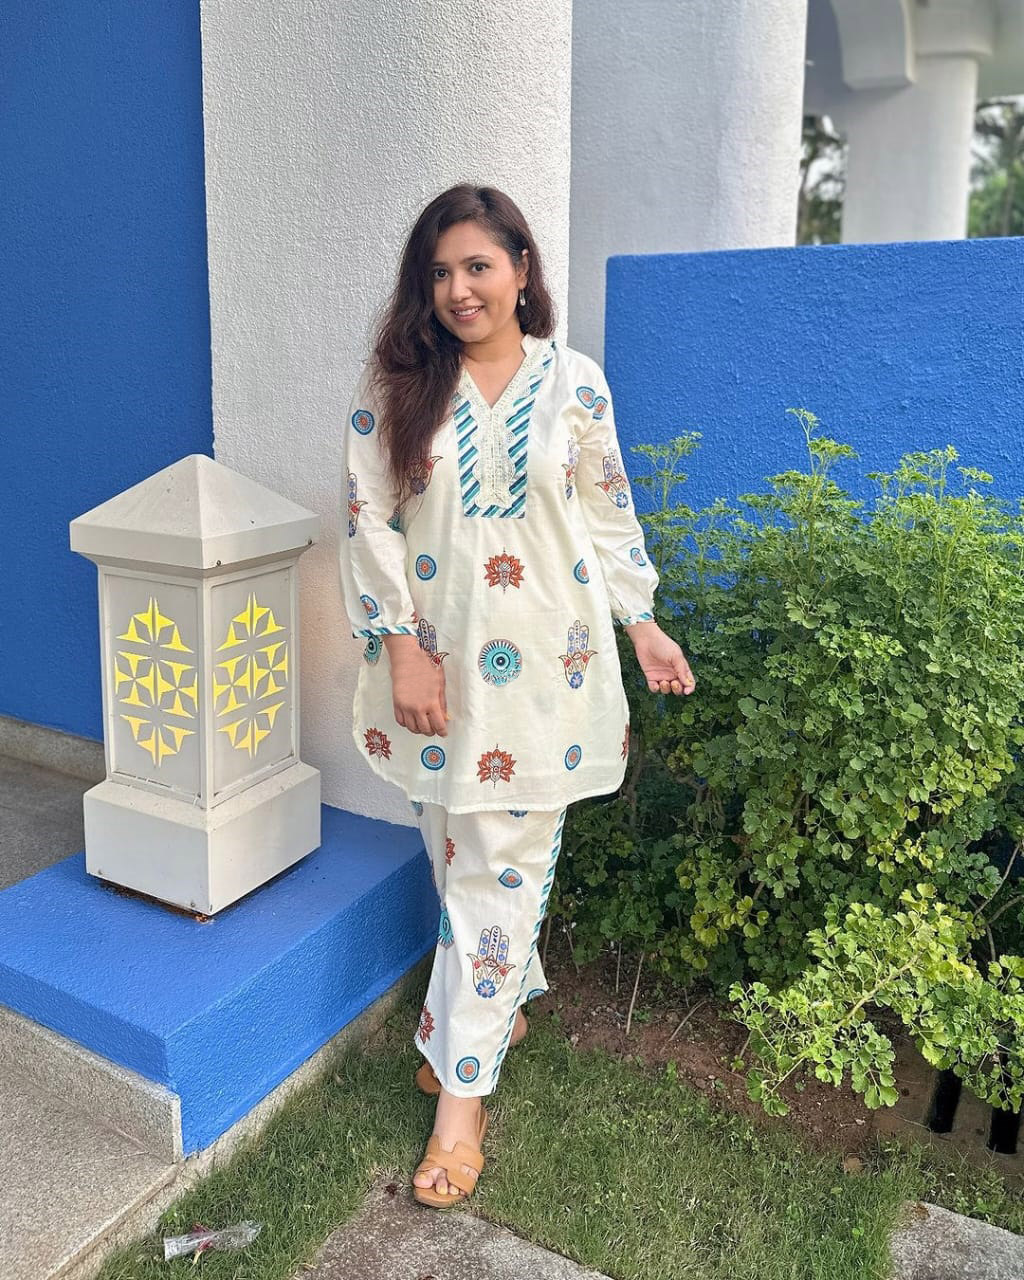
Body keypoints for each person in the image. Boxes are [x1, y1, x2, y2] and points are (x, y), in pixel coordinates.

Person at [338, 184, 695, 1209]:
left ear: (521, 270)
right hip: (436, 676)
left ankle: (461, 1100)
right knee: (456, 858)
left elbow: (608, 514)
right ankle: (503, 1006)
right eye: (439, 273)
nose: (459, 289)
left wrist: (641, 620)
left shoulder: (573, 383)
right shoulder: (397, 386)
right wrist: (401, 647)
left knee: (496, 872)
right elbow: (368, 518)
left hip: (548, 673)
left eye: (478, 266)